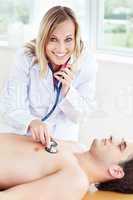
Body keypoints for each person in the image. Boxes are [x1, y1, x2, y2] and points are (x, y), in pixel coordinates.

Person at [0, 5, 97, 147]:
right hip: (25, 137)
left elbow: (82, 116)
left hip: (63, 142)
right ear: (44, 38)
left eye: (68, 39)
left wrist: (68, 91)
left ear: (76, 38)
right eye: (53, 39)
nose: (61, 48)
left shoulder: (86, 62)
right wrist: (30, 122)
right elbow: (11, 105)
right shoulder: (26, 56)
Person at [0, 134, 132, 200]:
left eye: (121, 146)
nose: (113, 137)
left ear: (116, 171)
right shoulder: (76, 147)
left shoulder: (76, 181)